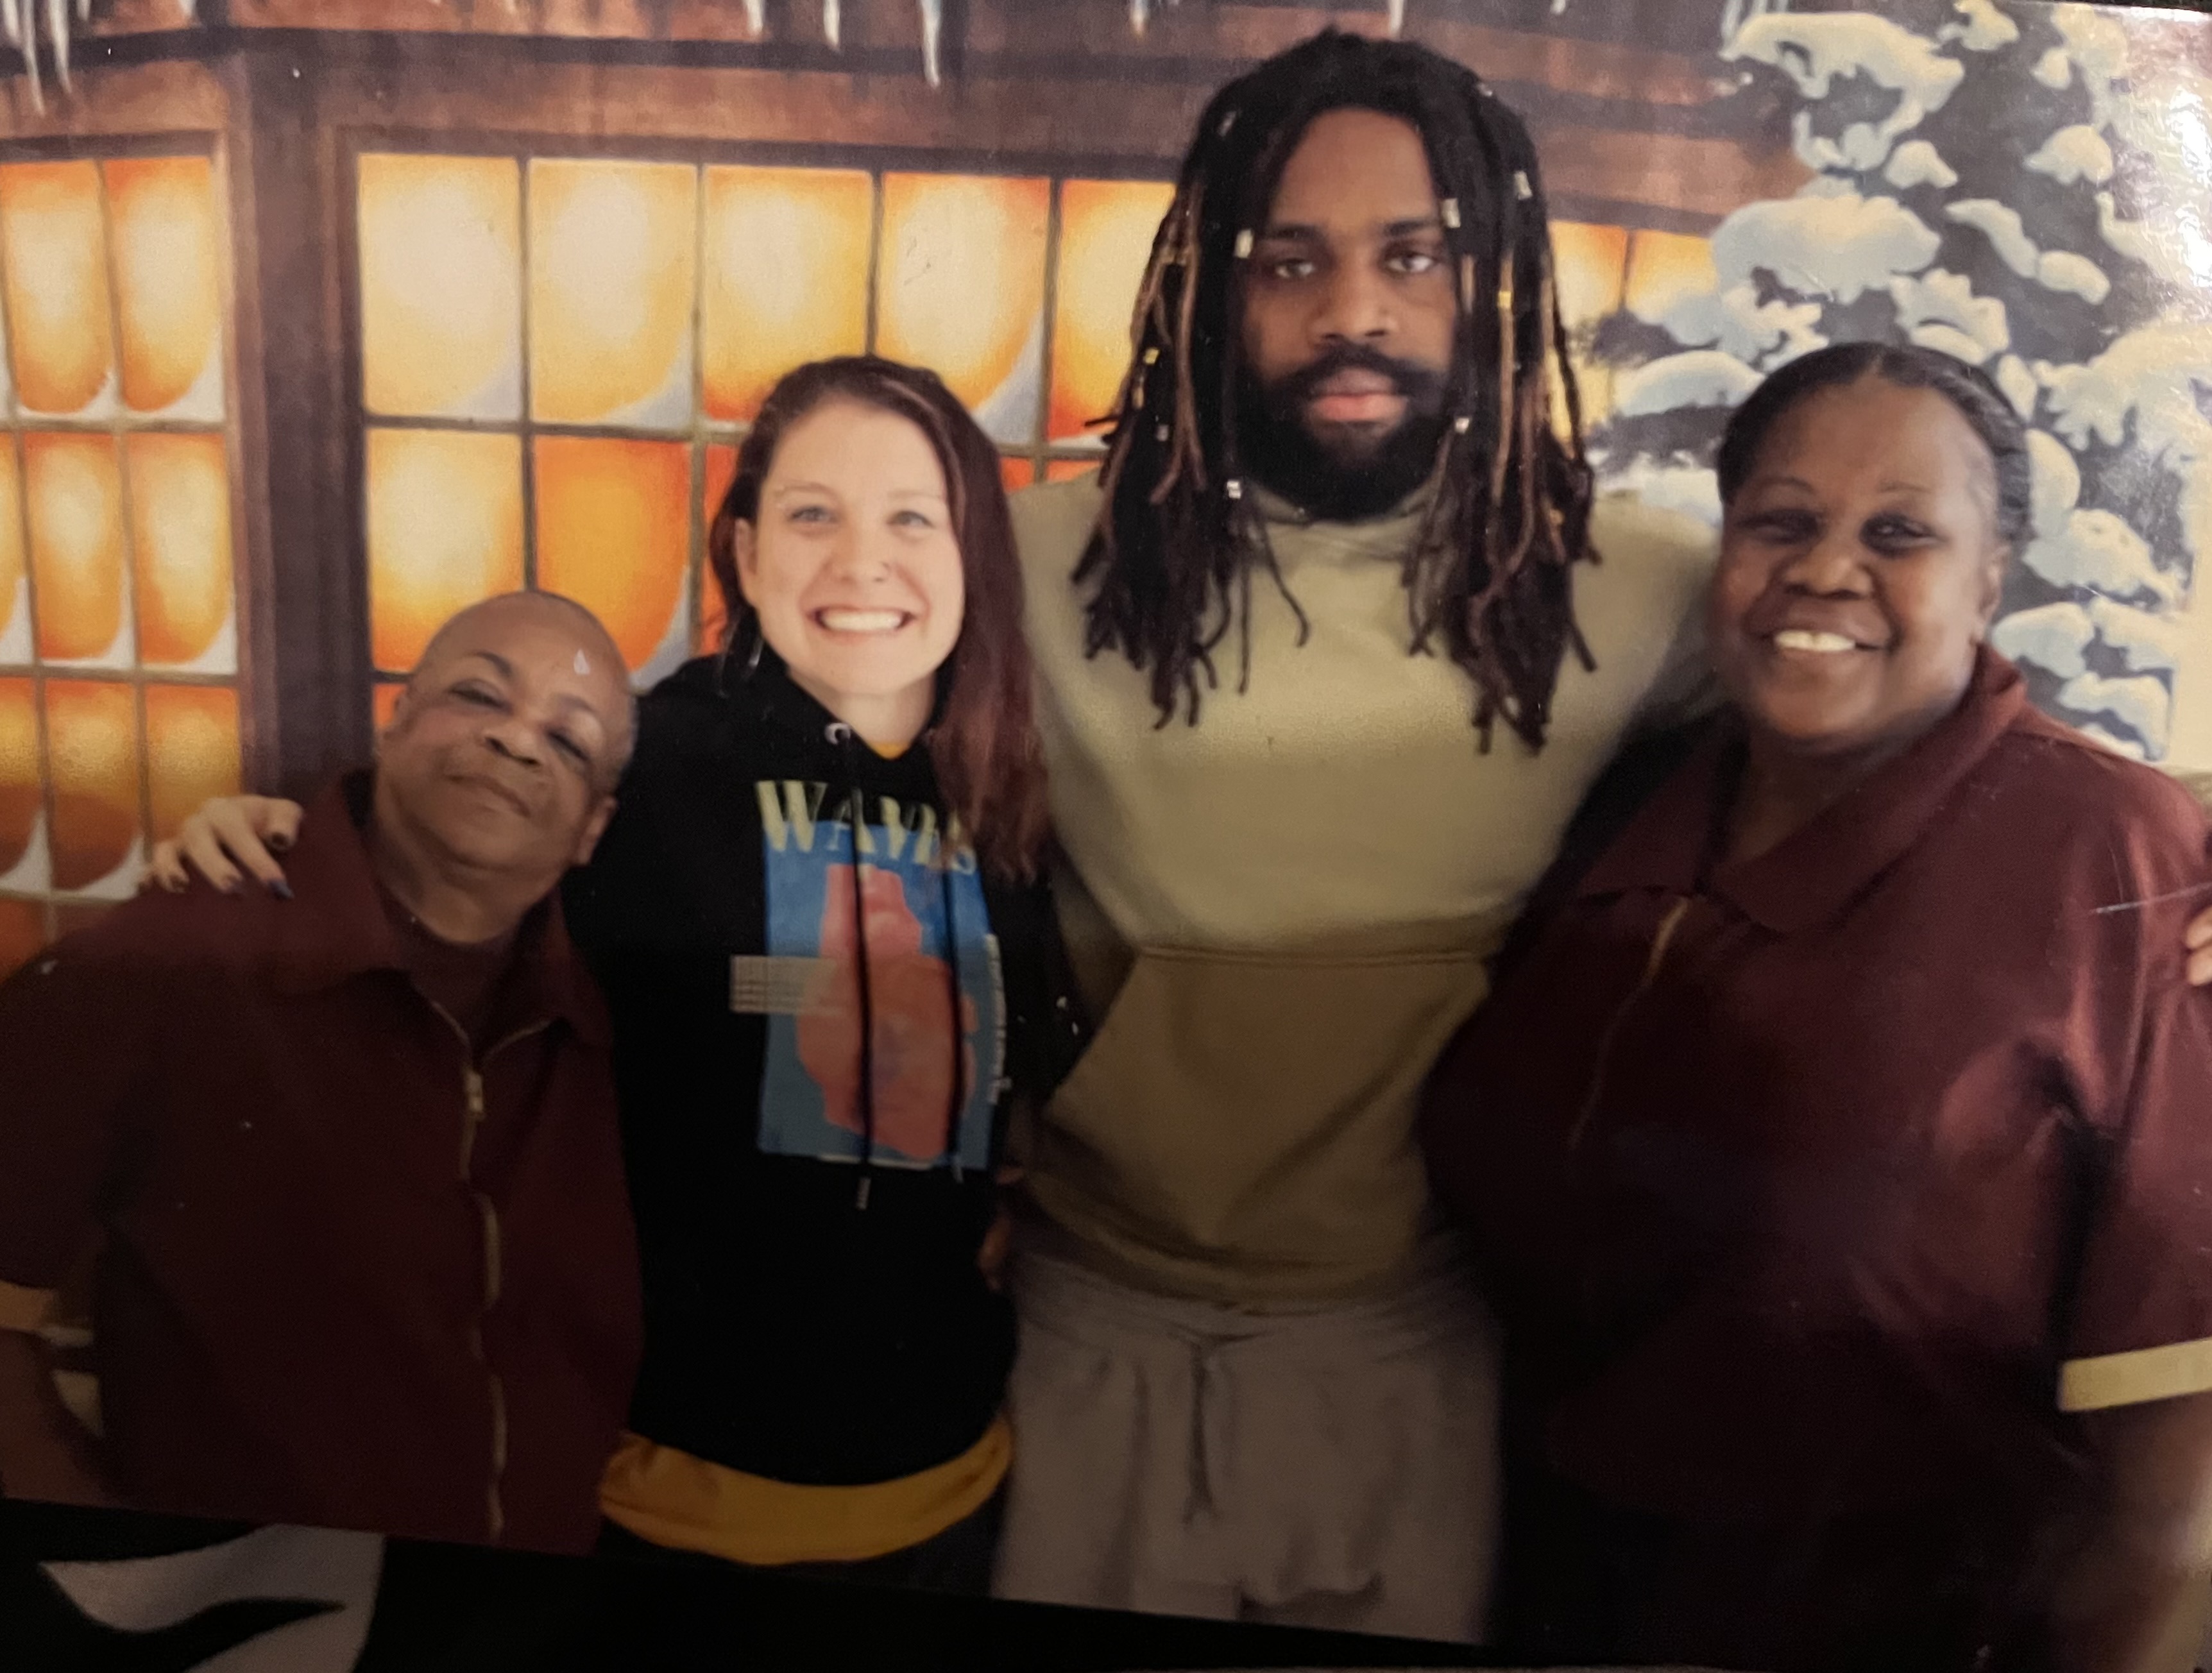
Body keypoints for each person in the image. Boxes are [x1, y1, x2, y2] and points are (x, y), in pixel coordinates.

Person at [149, 356, 1087, 1596]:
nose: (864, 561)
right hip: (655, 1499)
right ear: (746, 554)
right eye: (815, 514)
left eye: (914, 517)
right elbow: (433, 884)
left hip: (950, 1492)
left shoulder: (1013, 802)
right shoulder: (646, 771)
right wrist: (278, 847)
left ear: (978, 554)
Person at [1420, 342, 2212, 1673]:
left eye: (1897, 532)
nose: (1824, 569)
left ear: (1989, 579)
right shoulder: (1631, 798)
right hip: (1543, 1592)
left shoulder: (2113, 854)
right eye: (1778, 521)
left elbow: (2170, 1492)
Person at [0, 591, 644, 1556]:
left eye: (569, 738)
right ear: (399, 718)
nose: (517, 742)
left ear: (593, 827)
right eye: (480, 696)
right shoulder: (179, 961)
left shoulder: (601, 1021)